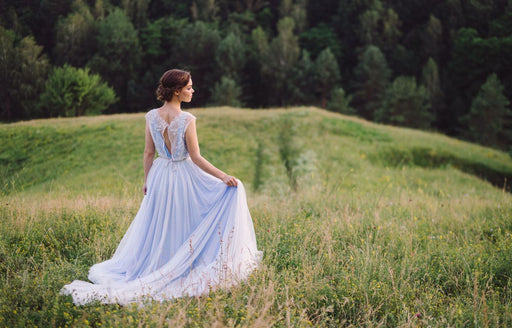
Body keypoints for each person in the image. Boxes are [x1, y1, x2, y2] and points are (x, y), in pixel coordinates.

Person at [61, 69, 262, 305]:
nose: (192, 90)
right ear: (176, 91)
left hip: (160, 175)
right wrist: (223, 175)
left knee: (159, 224)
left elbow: (149, 153)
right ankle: (180, 265)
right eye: (188, 87)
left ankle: (160, 263)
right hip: (183, 175)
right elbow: (196, 157)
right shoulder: (187, 120)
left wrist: (147, 180)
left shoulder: (151, 116)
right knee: (184, 219)